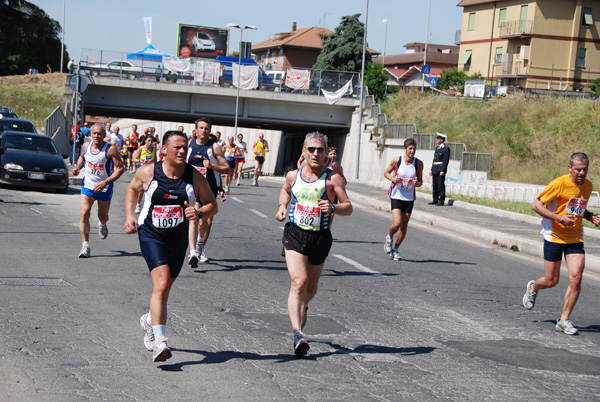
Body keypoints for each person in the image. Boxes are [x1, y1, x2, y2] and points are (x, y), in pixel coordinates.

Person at [124, 130, 218, 362]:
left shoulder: (194, 176)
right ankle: (160, 343)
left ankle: (149, 320)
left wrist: (197, 211)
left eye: (185, 147)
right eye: (177, 147)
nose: (183, 151)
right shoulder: (148, 172)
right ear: (164, 149)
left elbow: (212, 205)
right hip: (151, 234)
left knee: (164, 290)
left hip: (177, 238)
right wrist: (129, 216)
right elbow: (132, 189)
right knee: (162, 282)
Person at [275, 131, 352, 356]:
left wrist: (335, 207)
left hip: (320, 237)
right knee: (299, 282)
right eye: (311, 149)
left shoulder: (332, 179)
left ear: (327, 153)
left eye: (320, 150)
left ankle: (303, 305)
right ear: (304, 151)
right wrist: (282, 206)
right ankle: (298, 334)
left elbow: (349, 207)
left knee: (310, 288)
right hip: (295, 234)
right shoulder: (293, 175)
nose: (315, 153)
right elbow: (285, 191)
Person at [522, 153, 600, 335]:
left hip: (575, 237)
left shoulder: (588, 186)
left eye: (585, 169)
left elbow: (577, 208)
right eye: (578, 169)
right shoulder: (559, 183)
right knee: (551, 280)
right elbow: (536, 205)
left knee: (576, 277)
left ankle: (564, 320)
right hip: (554, 236)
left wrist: (590, 217)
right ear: (570, 168)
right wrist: (559, 218)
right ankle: (533, 287)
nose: (582, 173)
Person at [72, 124, 124, 258]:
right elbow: (82, 158)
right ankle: (85, 246)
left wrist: (106, 182)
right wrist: (78, 167)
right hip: (88, 186)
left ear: (104, 135)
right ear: (91, 134)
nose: (97, 136)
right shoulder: (86, 146)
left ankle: (103, 223)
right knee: (84, 213)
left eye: (99, 134)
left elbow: (120, 169)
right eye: (94, 133)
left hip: (104, 188)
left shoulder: (110, 149)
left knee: (102, 216)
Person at [187, 117, 230, 266]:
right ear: (196, 130)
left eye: (206, 128)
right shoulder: (189, 145)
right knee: (195, 217)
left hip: (209, 189)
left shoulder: (215, 147)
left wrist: (212, 166)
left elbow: (227, 168)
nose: (204, 130)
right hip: (192, 189)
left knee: (205, 220)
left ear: (210, 131)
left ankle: (199, 245)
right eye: (201, 128)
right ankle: (193, 253)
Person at [383, 138, 424, 261]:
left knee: (404, 226)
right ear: (405, 149)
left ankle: (395, 249)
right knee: (397, 223)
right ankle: (389, 238)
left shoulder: (418, 163)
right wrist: (393, 179)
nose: (412, 151)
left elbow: (420, 181)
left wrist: (417, 183)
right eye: (410, 149)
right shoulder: (397, 160)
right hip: (396, 195)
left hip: (409, 197)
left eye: (414, 149)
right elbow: (386, 173)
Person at [133, 135, 157, 213]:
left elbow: (155, 159)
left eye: (152, 141)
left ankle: (149, 205)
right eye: (149, 141)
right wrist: (140, 160)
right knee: (141, 190)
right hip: (142, 171)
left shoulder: (154, 149)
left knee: (151, 189)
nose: (150, 143)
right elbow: (134, 160)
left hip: (151, 171)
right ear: (145, 141)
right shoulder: (141, 148)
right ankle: (138, 204)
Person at [429, 132, 450, 206]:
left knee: (440, 185)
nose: (436, 140)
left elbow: (445, 160)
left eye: (437, 138)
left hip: (440, 169)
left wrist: (443, 170)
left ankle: (441, 200)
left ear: (442, 139)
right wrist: (431, 169)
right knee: (435, 185)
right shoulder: (437, 148)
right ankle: (435, 199)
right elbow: (434, 159)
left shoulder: (446, 148)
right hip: (435, 168)